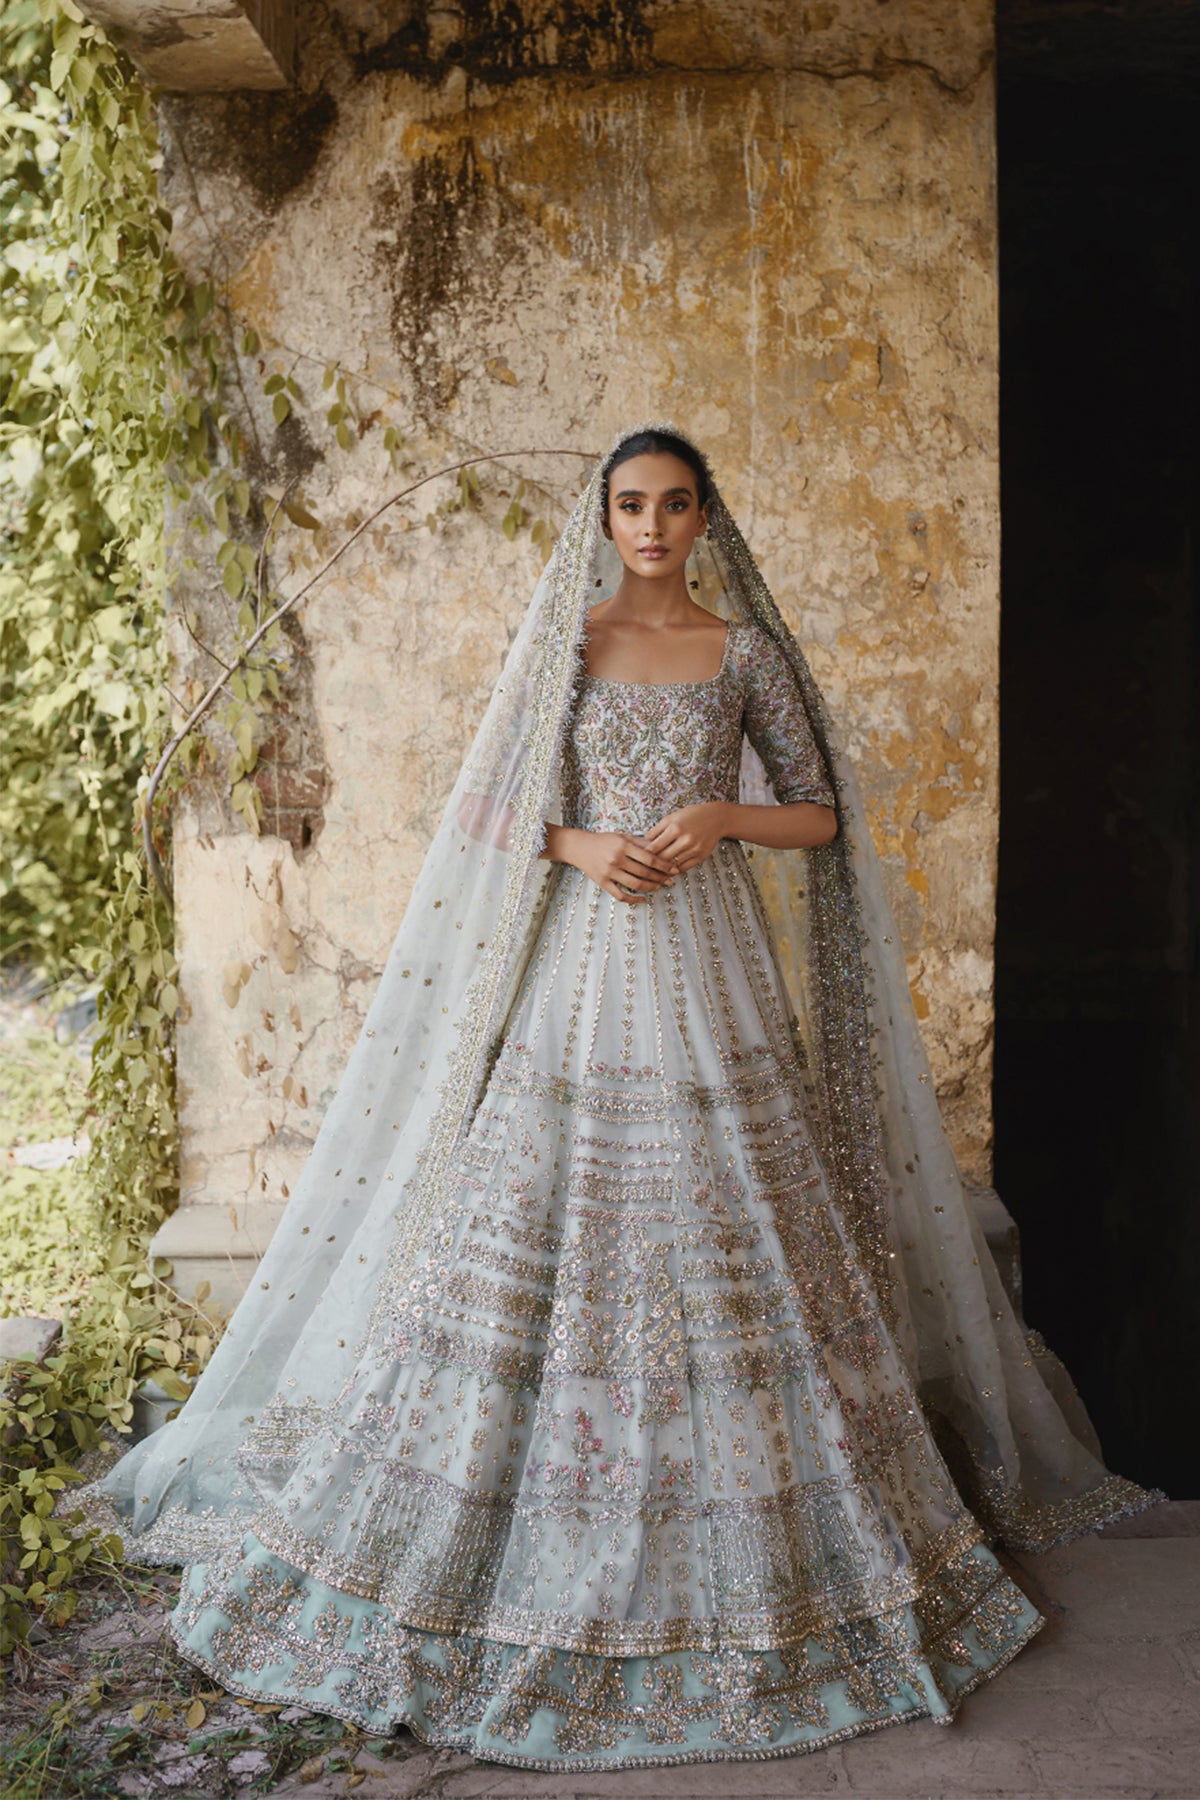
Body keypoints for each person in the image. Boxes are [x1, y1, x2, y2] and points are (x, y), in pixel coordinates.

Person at [70, 425, 1160, 1770]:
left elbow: (819, 817)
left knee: (737, 1223)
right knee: (542, 1223)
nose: (650, 525)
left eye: (674, 505)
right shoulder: (563, 648)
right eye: (630, 505)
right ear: (605, 517)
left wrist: (717, 819)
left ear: (708, 518)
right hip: (580, 976)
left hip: (712, 972)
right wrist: (581, 840)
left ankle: (759, 1531)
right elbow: (488, 811)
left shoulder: (743, 653)